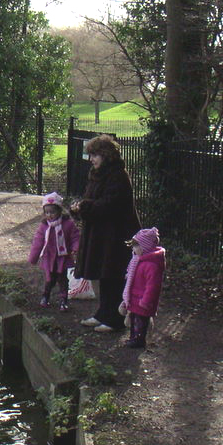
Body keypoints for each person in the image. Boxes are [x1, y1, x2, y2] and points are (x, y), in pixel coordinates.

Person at [71, 134, 141, 332]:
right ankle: (103, 313)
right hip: (100, 233)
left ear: (106, 155)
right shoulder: (97, 174)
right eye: (91, 155)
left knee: (114, 275)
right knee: (103, 276)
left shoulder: (118, 175)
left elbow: (110, 205)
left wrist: (84, 207)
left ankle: (115, 319)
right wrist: (79, 208)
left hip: (116, 235)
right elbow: (92, 201)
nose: (91, 159)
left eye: (95, 155)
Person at [28, 192, 81, 311]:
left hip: (63, 257)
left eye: (52, 212)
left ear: (59, 211)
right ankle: (45, 296)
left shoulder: (68, 224)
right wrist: (33, 257)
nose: (50, 215)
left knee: (63, 279)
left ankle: (63, 300)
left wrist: (75, 248)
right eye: (47, 212)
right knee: (49, 279)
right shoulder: (44, 226)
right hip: (49, 257)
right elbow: (38, 241)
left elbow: (75, 237)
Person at [118, 227, 165, 348]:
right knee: (134, 320)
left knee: (141, 322)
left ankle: (139, 340)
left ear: (144, 247)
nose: (133, 249)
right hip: (135, 299)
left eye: (136, 246)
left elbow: (153, 286)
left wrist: (146, 300)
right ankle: (133, 337)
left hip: (142, 301)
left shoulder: (151, 266)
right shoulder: (137, 261)